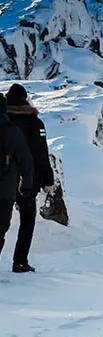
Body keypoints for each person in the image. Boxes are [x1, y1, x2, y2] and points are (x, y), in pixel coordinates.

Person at [5, 84, 54, 273]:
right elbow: (41, 153)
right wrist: (48, 179)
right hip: (28, 179)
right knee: (27, 220)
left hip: (3, 178)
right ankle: (20, 261)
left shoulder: (3, 121)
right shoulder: (34, 123)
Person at [0, 93, 36, 273]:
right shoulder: (11, 130)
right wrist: (27, 184)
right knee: (0, 228)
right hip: (5, 190)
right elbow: (26, 160)